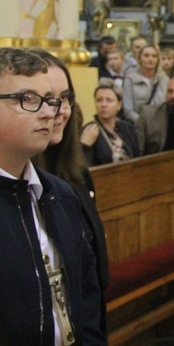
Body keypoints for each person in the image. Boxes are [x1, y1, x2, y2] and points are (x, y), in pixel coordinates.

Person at [0, 47, 105, 344]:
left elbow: (87, 293)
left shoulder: (59, 194)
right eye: (28, 99)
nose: (50, 111)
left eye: (50, 100)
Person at [80, 82, 141, 166]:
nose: (103, 105)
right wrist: (84, 146)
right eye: (99, 100)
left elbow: (138, 159)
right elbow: (84, 165)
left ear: (119, 105)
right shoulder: (90, 130)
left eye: (109, 100)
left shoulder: (128, 129)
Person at [122, 43, 169, 123]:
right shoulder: (130, 78)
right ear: (139, 58)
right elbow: (128, 109)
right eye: (146, 56)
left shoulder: (164, 79)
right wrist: (143, 122)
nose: (150, 59)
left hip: (159, 124)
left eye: (154, 56)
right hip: (137, 124)